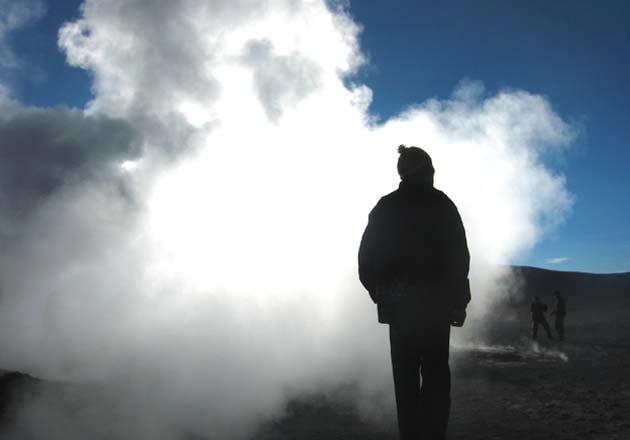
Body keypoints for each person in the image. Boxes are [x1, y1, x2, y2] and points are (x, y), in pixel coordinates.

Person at [358, 145, 471, 440]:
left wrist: (379, 292)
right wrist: (459, 302)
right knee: (435, 378)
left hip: (398, 310)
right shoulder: (441, 205)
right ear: (423, 170)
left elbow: (366, 258)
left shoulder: (385, 207)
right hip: (435, 309)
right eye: (431, 169)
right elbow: (459, 258)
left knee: (405, 383)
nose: (434, 175)